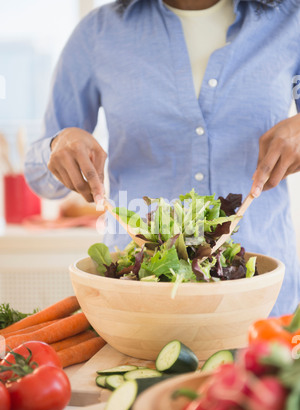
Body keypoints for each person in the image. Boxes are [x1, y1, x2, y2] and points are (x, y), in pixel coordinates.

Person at [24, 0, 300, 317]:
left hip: (263, 297)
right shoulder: (98, 33)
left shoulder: (291, 20)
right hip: (138, 298)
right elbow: (39, 173)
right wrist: (58, 146)